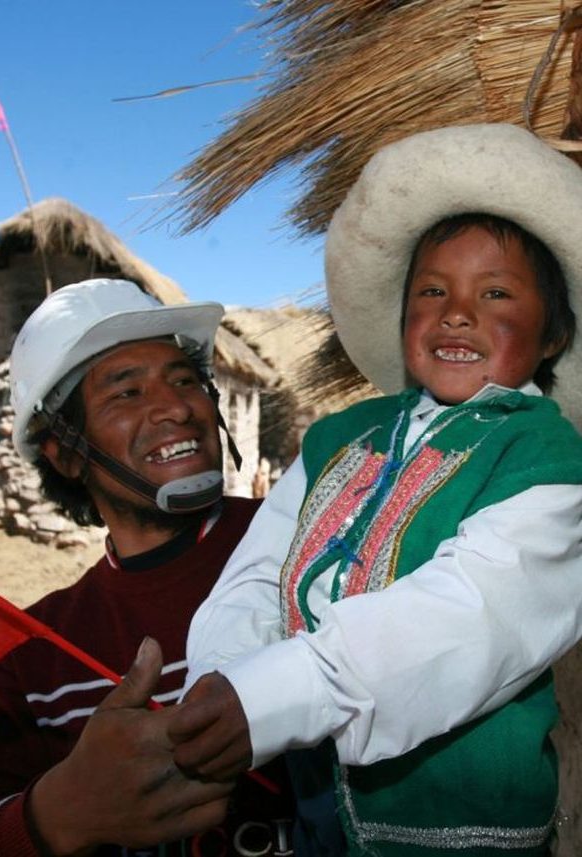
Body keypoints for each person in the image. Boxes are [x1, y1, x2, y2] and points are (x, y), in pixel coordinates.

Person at [171, 124, 582, 856]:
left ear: (552, 334)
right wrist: (221, 682)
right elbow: (259, 572)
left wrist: (275, 696)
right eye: (432, 290)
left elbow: (475, 615)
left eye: (495, 292)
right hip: (314, 809)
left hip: (461, 838)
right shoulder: (340, 436)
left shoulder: (546, 457)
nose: (457, 311)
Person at [0, 278, 294, 856]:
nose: (176, 407)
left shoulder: (315, 539)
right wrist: (54, 817)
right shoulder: (35, 660)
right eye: (126, 393)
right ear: (65, 452)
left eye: (185, 380)